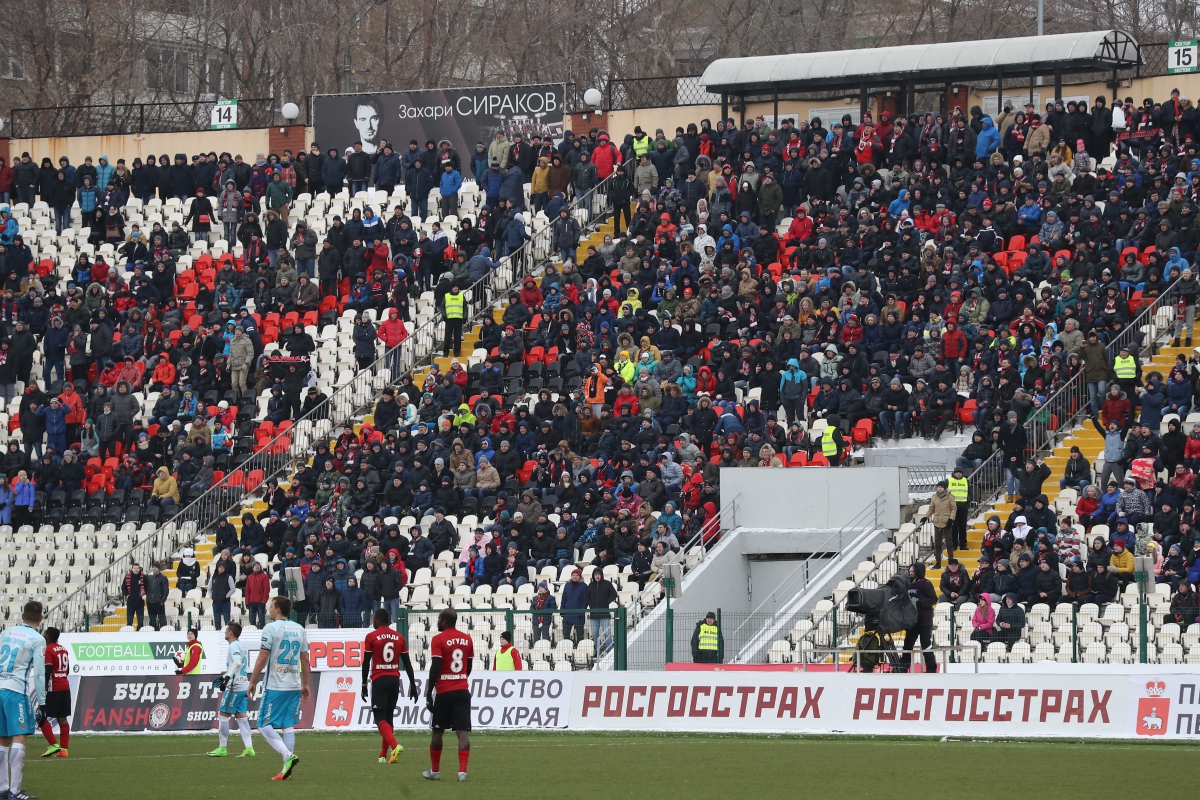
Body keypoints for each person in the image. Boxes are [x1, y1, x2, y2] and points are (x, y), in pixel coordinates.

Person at [248, 596, 309, 781]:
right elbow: (305, 660)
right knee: (287, 725)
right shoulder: (300, 629)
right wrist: (305, 684)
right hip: (294, 684)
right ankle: (285, 771)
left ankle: (288, 756)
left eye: (271, 605)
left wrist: (252, 681)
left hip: (276, 684)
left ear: (278, 610)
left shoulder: (271, 628)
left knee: (262, 724)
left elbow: (263, 656)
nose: (268, 608)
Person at [0, 601, 46, 800]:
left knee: (2, 740)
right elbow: (40, 673)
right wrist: (42, 703)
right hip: (15, 691)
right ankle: (15, 792)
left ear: (22, 616)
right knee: (19, 737)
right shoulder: (37, 639)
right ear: (41, 618)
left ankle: (2, 789)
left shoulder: (5, 633)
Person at [362, 608, 419, 765]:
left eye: (374, 619)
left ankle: (395, 746)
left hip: (379, 679)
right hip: (394, 679)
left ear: (378, 620)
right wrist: (413, 684)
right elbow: (407, 663)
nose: (373, 622)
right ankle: (382, 755)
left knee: (379, 718)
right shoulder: (399, 637)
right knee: (388, 717)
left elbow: (366, 663)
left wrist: (363, 684)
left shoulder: (371, 636)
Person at [424, 608, 474, 782]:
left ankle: (435, 771)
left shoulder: (438, 639)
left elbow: (436, 666)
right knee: (462, 732)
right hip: (462, 690)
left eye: (439, 619)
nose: (438, 622)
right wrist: (459, 679)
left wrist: (429, 691)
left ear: (444, 621)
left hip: (444, 691)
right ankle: (462, 772)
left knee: (438, 731)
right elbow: (468, 667)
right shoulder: (467, 639)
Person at [207, 621, 255, 758]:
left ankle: (222, 748)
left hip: (234, 687)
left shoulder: (233, 645)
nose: (225, 632)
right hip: (243, 685)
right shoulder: (241, 645)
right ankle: (249, 748)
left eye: (227, 630)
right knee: (241, 717)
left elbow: (237, 662)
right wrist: (225, 676)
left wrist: (227, 678)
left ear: (231, 633)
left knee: (223, 716)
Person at [38, 626, 70, 759]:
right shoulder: (63, 649)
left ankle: (53, 745)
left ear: (47, 637)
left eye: (44, 634)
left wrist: (43, 687)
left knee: (40, 716)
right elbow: (67, 670)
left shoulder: (49, 650)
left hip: (54, 687)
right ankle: (64, 750)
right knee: (62, 718)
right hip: (65, 686)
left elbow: (48, 671)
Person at [900, 563, 937, 673]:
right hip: (912, 620)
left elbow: (933, 599)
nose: (911, 573)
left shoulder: (925, 583)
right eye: (910, 571)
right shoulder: (908, 584)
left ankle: (931, 669)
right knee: (907, 644)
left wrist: (919, 603)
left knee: (925, 643)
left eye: (913, 571)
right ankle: (903, 667)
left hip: (924, 619)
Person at [587, 567, 618, 656]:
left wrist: (607, 602)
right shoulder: (590, 585)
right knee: (595, 634)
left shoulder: (607, 584)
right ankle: (598, 650)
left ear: (601, 575)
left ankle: (610, 651)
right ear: (593, 576)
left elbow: (614, 594)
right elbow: (587, 597)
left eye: (598, 574)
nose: (597, 576)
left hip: (604, 613)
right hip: (593, 614)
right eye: (595, 575)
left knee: (607, 633)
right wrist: (590, 604)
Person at [928, 481, 956, 569]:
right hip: (937, 523)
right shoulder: (934, 497)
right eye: (938, 487)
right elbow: (931, 509)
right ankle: (938, 562)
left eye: (941, 487)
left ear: (945, 488)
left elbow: (954, 509)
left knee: (949, 542)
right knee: (937, 543)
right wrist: (925, 517)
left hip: (947, 522)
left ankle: (951, 560)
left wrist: (951, 519)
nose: (939, 489)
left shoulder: (950, 497)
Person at [947, 465, 970, 550]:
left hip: (963, 507)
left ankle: (963, 544)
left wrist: (968, 501)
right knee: (954, 527)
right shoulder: (949, 480)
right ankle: (954, 544)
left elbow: (969, 491)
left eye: (960, 473)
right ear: (954, 473)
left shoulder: (965, 480)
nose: (958, 474)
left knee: (963, 526)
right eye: (957, 473)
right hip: (953, 507)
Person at [442, 282, 465, 358]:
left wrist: (465, 317)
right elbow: (442, 307)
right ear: (451, 288)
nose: (455, 288)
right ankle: (446, 352)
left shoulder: (461, 296)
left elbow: (465, 307)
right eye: (454, 287)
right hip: (449, 319)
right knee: (447, 337)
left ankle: (457, 352)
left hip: (458, 319)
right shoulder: (446, 296)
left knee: (457, 337)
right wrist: (444, 316)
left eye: (456, 287)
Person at [121, 562, 147, 629]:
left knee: (140, 622)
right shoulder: (127, 577)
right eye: (135, 568)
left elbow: (147, 587)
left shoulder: (143, 577)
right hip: (130, 603)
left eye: (137, 568)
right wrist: (127, 595)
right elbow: (123, 587)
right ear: (132, 569)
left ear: (139, 569)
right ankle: (130, 634)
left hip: (140, 603)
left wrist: (144, 595)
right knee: (129, 621)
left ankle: (140, 633)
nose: (136, 569)